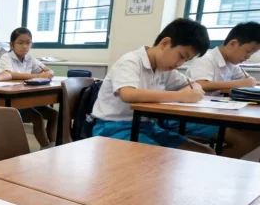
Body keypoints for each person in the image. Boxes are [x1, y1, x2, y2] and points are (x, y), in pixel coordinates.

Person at [91, 18, 214, 154]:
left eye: (186, 60)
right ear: (165, 43)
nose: (180, 64)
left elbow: (194, 84)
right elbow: (128, 94)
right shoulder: (131, 61)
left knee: (206, 153)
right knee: (160, 160)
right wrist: (180, 96)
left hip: (148, 126)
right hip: (113, 127)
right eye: (181, 56)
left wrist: (191, 92)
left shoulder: (165, 70)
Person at [175, 21, 260, 158]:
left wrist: (248, 83)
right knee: (244, 141)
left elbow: (250, 82)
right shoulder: (206, 59)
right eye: (248, 52)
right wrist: (238, 83)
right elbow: (201, 84)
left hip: (214, 113)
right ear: (233, 44)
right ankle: (212, 172)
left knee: (256, 133)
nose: (247, 58)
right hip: (195, 116)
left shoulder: (232, 64)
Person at [0, 27, 58, 148]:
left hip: (30, 99)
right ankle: (45, 147)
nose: (25, 46)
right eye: (20, 43)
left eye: (28, 43)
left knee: (54, 114)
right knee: (37, 117)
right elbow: (10, 75)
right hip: (13, 101)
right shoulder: (6, 57)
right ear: (12, 45)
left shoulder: (30, 57)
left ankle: (53, 145)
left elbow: (47, 70)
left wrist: (48, 73)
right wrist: (37, 75)